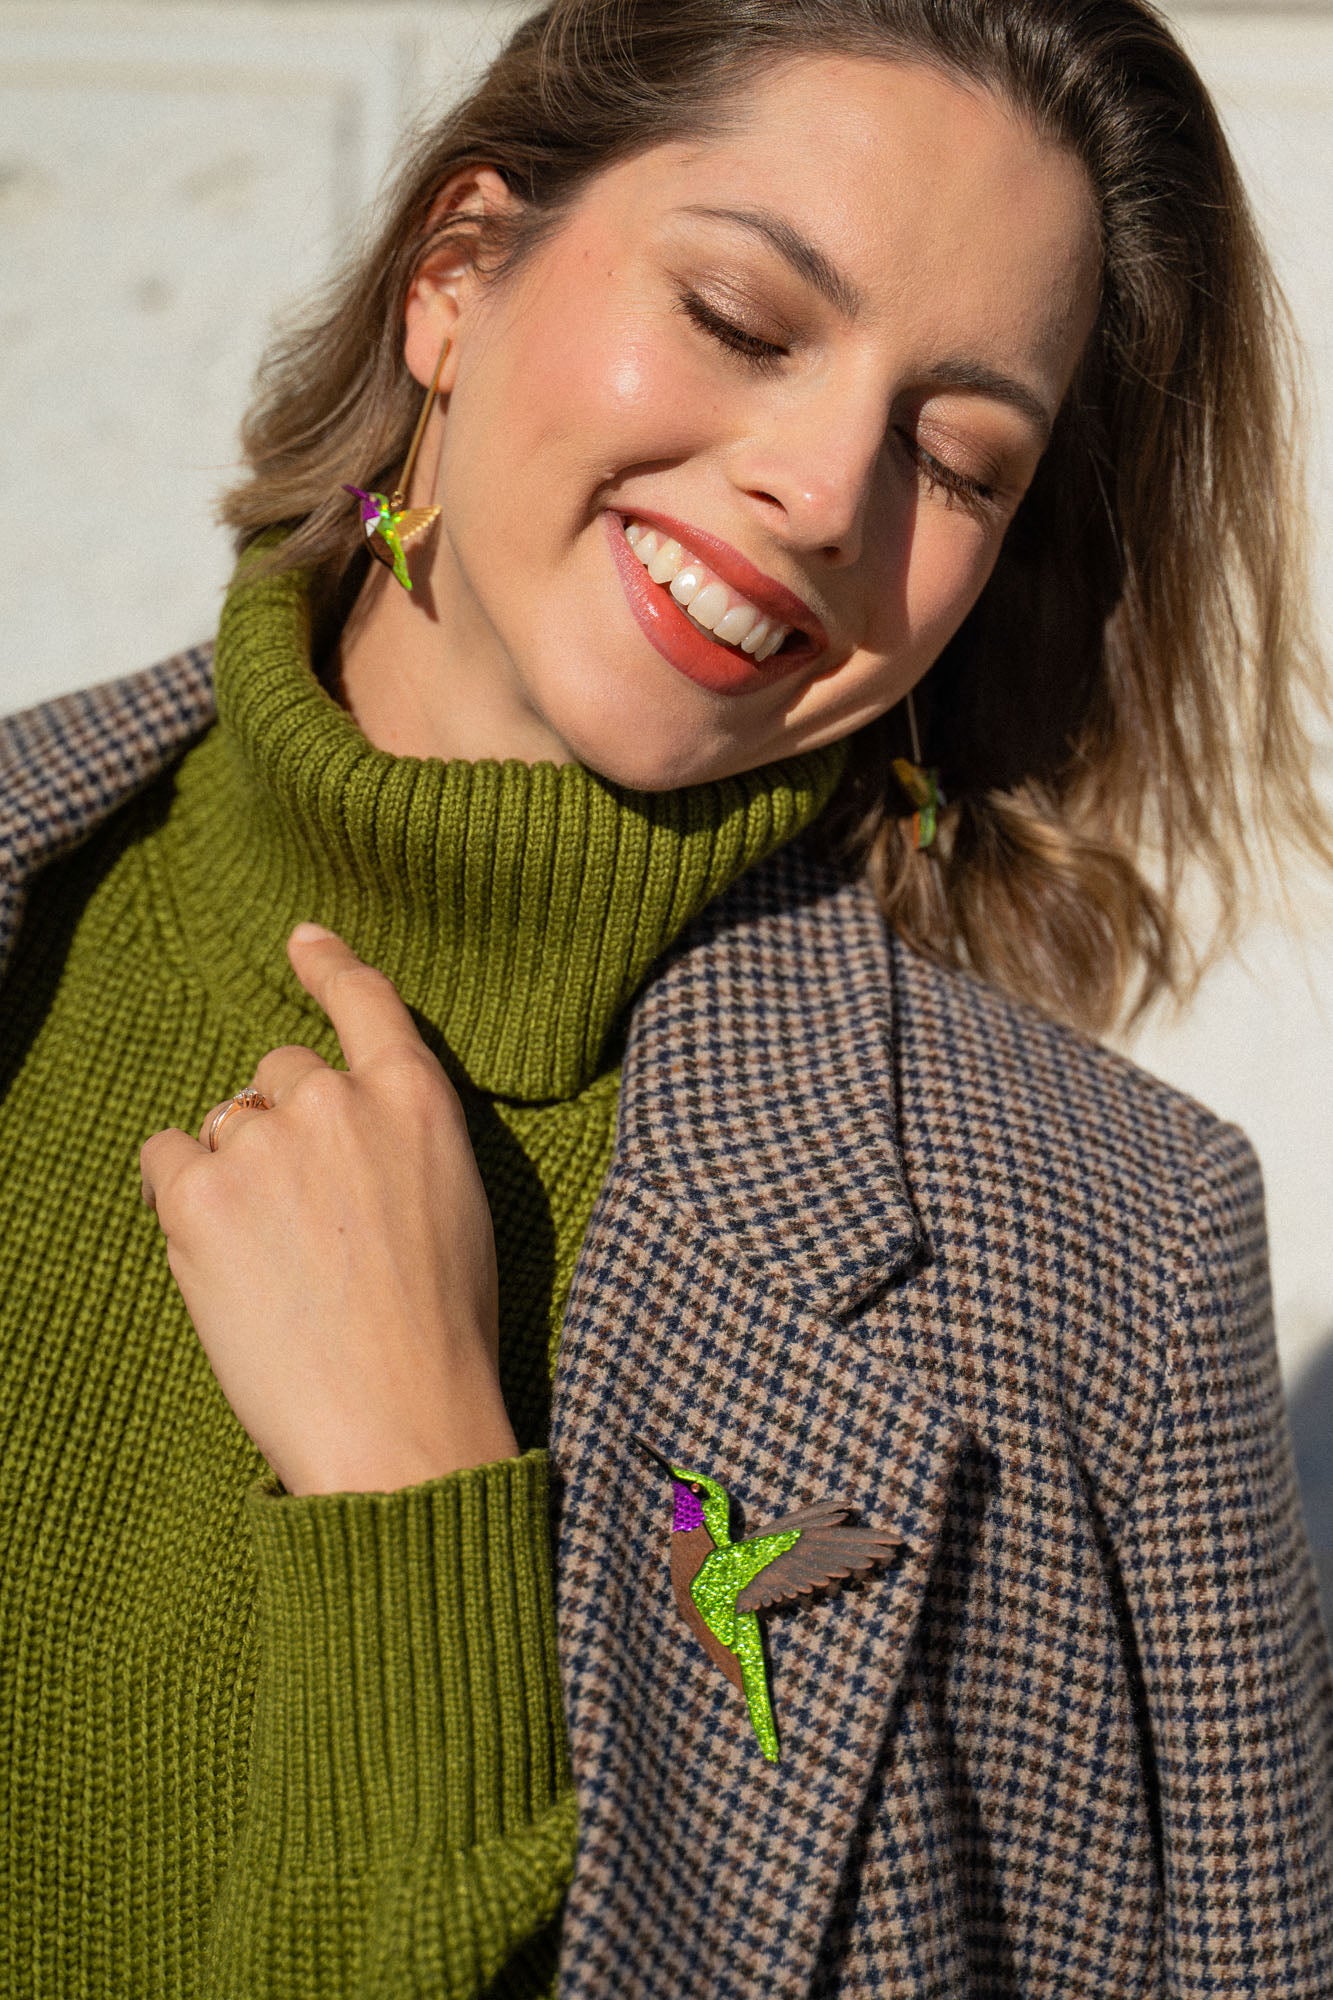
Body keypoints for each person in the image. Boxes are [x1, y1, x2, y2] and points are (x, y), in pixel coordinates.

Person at [1, 0, 1330, 1993]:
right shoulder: (42, 952)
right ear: (457, 277)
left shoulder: (1109, 1262)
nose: (820, 487)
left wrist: (418, 1506)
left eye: (956, 454)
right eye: (739, 315)